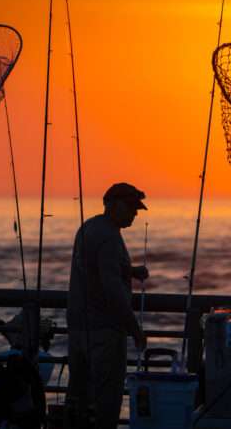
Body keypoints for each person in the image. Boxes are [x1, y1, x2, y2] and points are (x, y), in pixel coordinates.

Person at [66, 183, 149, 429]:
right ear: (112, 205)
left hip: (78, 329)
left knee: (78, 399)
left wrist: (130, 271)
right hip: (104, 333)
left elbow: (95, 268)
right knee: (106, 401)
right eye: (131, 207)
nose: (135, 213)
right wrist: (134, 329)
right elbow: (112, 289)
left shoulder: (88, 228)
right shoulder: (110, 237)